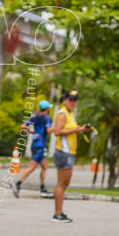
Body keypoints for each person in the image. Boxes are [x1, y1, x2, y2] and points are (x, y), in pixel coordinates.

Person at [50, 90, 91, 224]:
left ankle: (59, 212)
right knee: (62, 184)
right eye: (70, 99)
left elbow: (70, 133)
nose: (73, 102)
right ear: (65, 100)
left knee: (64, 183)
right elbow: (57, 132)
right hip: (63, 152)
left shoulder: (70, 114)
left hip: (69, 152)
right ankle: (57, 213)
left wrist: (80, 130)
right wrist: (74, 130)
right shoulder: (62, 114)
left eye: (75, 100)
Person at [14, 100, 53, 198]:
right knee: (31, 167)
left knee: (45, 166)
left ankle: (43, 187)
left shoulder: (35, 117)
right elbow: (48, 130)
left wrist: (30, 132)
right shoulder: (47, 118)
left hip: (34, 144)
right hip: (40, 145)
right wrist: (56, 129)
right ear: (47, 109)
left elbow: (22, 126)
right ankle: (18, 183)